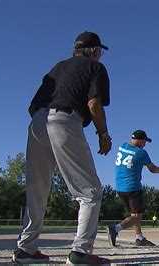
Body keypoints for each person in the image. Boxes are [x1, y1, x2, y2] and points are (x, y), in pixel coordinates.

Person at [14, 31, 112, 265]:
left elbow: (32, 105)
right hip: (66, 120)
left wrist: (44, 124)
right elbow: (93, 103)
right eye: (100, 51)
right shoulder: (95, 68)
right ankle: (81, 252)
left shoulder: (58, 67)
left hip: (38, 121)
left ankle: (25, 248)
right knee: (90, 192)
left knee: (37, 190)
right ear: (95, 51)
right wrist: (103, 134)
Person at [106, 130, 159, 247]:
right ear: (140, 140)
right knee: (137, 216)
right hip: (132, 187)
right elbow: (153, 169)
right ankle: (115, 229)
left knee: (134, 214)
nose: (145, 144)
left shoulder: (122, 146)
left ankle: (139, 237)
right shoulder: (141, 153)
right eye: (144, 141)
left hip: (119, 187)